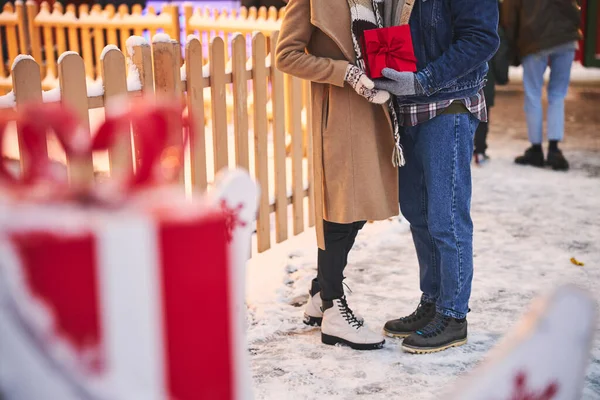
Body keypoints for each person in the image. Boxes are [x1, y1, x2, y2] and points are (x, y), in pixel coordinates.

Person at [374, 0, 499, 353]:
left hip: (448, 104)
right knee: (418, 212)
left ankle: (453, 315)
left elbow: (481, 39)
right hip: (407, 104)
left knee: (447, 216)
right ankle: (432, 302)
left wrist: (423, 79)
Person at [275, 0, 400, 350]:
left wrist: (393, 72)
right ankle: (333, 307)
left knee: (356, 209)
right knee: (342, 209)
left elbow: (383, 43)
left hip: (375, 107)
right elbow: (286, 55)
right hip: (341, 111)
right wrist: (344, 72)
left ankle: (320, 292)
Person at [502, 0, 582, 171]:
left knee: (533, 93)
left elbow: (509, 14)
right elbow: (575, 8)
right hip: (565, 36)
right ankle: (554, 149)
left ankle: (536, 149)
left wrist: (512, 46)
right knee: (558, 94)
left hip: (533, 38)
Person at [474, 0, 510, 165]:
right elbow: (500, 56)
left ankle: (466, 150)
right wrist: (502, 76)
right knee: (482, 118)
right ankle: (480, 151)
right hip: (485, 81)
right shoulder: (495, 29)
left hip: (463, 82)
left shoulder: (462, 22)